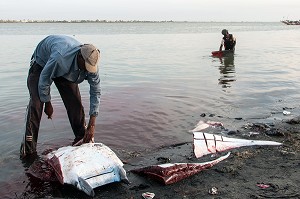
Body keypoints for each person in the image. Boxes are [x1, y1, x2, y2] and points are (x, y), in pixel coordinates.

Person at [20, 35, 101, 158]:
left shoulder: (91, 62)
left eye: (90, 68)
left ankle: (82, 139)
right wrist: (47, 102)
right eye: (86, 66)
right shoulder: (60, 57)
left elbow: (96, 91)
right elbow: (44, 79)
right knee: (37, 104)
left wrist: (92, 124)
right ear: (79, 56)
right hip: (42, 63)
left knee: (75, 103)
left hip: (68, 68)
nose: (88, 70)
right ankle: (29, 151)